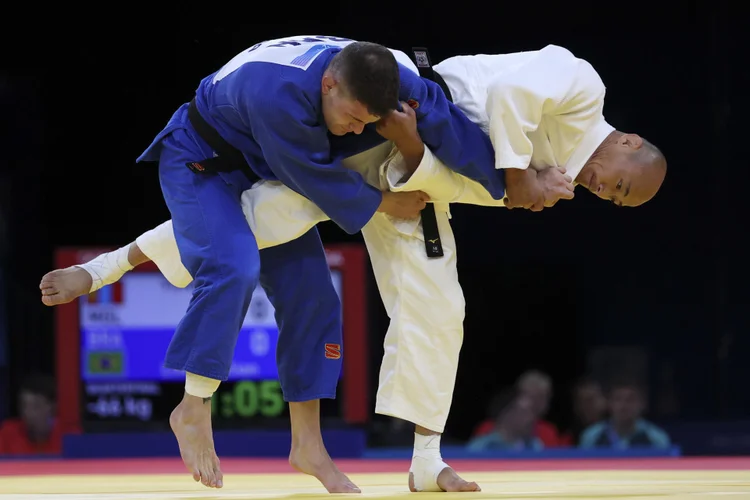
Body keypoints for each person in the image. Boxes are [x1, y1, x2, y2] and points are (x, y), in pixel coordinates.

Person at [41, 43, 666, 492]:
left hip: (429, 175)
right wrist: (513, 180)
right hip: (400, 137)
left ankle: (426, 461)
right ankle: (108, 267)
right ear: (632, 143)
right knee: (260, 219)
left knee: (441, 310)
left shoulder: (559, 179)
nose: (608, 192)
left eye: (616, 200)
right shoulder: (582, 85)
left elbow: (487, 176)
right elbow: (510, 99)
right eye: (622, 185)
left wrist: (519, 188)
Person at [579, 379, 670, 449]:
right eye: (618, 399)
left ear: (642, 404)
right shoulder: (591, 436)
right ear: (609, 403)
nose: (624, 405)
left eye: (630, 399)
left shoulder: (657, 438)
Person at [0, 374, 62, 455]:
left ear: (53, 407)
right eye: (24, 405)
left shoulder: (67, 434)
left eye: (36, 406)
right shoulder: (7, 433)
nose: (27, 412)